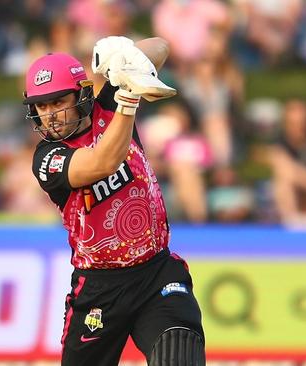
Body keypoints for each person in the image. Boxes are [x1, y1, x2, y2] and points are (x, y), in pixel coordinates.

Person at [24, 36, 205, 365]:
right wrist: (129, 97)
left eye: (58, 101)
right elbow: (104, 161)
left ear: (80, 94)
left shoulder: (106, 105)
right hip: (99, 288)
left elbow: (161, 47)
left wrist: (126, 60)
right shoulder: (47, 158)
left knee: (179, 350)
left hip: (156, 273)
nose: (49, 114)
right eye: (42, 106)